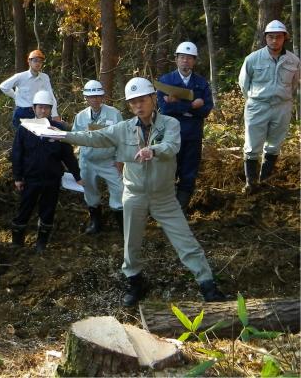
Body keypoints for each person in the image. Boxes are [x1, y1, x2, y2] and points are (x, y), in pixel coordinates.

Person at [62, 77, 229, 306]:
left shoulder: (170, 124)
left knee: (185, 241)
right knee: (131, 242)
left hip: (164, 196)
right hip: (134, 195)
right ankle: (135, 281)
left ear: (153, 98)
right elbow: (93, 137)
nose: (138, 106)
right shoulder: (123, 129)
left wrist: (153, 150)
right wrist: (61, 135)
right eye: (133, 103)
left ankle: (207, 284)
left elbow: (171, 146)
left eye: (142, 100)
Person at [10, 90, 81, 252]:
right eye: (40, 107)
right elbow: (17, 154)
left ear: (51, 109)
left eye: (46, 108)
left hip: (52, 179)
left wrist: (77, 175)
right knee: (24, 209)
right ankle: (17, 242)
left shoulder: (57, 128)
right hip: (30, 178)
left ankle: (41, 243)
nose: (43, 111)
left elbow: (67, 155)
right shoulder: (24, 128)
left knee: (48, 210)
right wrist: (18, 177)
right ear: (34, 109)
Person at [238, 20, 300, 193]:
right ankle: (250, 183)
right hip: (258, 106)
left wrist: (283, 98)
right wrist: (255, 100)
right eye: (271, 37)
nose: (274, 41)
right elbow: (244, 84)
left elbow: (294, 84)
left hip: (282, 107)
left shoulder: (293, 61)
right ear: (265, 38)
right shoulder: (252, 59)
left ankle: (264, 180)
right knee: (252, 146)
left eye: (278, 37)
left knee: (274, 145)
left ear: (284, 38)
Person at [156, 42, 213, 210]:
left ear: (194, 61)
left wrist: (179, 106)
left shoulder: (201, 83)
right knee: (168, 169)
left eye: (189, 58)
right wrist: (191, 106)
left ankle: (181, 207)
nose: (185, 61)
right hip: (171, 134)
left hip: (193, 134)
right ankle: (165, 205)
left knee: (189, 170)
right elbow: (165, 108)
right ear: (176, 60)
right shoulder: (166, 81)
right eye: (182, 57)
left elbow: (206, 109)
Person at [72, 80, 124, 233]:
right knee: (90, 191)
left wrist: (120, 159)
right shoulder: (80, 117)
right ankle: (96, 223)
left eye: (98, 96)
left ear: (103, 97)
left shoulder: (114, 113)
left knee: (119, 190)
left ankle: (123, 226)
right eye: (91, 97)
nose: (95, 99)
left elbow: (122, 138)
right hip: (88, 161)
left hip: (109, 160)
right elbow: (75, 137)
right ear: (86, 98)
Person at [0, 50, 60, 128]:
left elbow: (50, 96)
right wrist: (15, 96)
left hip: (39, 111)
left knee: (40, 137)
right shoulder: (20, 76)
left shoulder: (44, 77)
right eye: (35, 61)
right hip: (23, 112)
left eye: (40, 61)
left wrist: (55, 114)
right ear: (29, 61)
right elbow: (4, 86)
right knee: (22, 137)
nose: (38, 63)